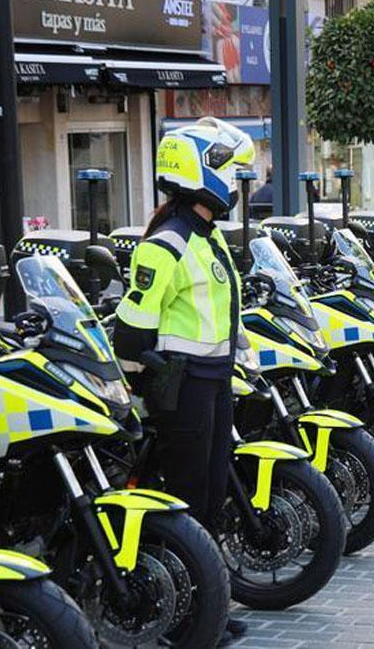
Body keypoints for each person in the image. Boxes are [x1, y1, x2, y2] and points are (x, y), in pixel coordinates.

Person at [112, 117, 255, 644]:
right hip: (183, 385)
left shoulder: (204, 236)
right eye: (229, 170)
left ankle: (208, 606)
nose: (237, 183)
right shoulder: (168, 242)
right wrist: (131, 389)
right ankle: (187, 617)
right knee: (189, 498)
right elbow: (131, 330)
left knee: (212, 495)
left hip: (214, 381)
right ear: (201, 172)